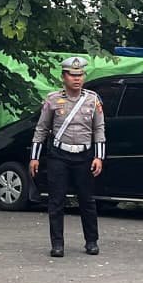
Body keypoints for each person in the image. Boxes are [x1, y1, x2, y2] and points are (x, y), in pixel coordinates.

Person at [30, 56, 106, 258]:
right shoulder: (53, 99)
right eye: (72, 75)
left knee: (87, 200)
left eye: (80, 75)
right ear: (63, 77)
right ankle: (57, 244)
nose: (77, 79)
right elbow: (42, 128)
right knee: (56, 201)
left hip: (84, 154)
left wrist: (99, 157)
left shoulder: (92, 99)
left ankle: (91, 241)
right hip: (58, 155)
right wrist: (34, 157)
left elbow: (99, 129)